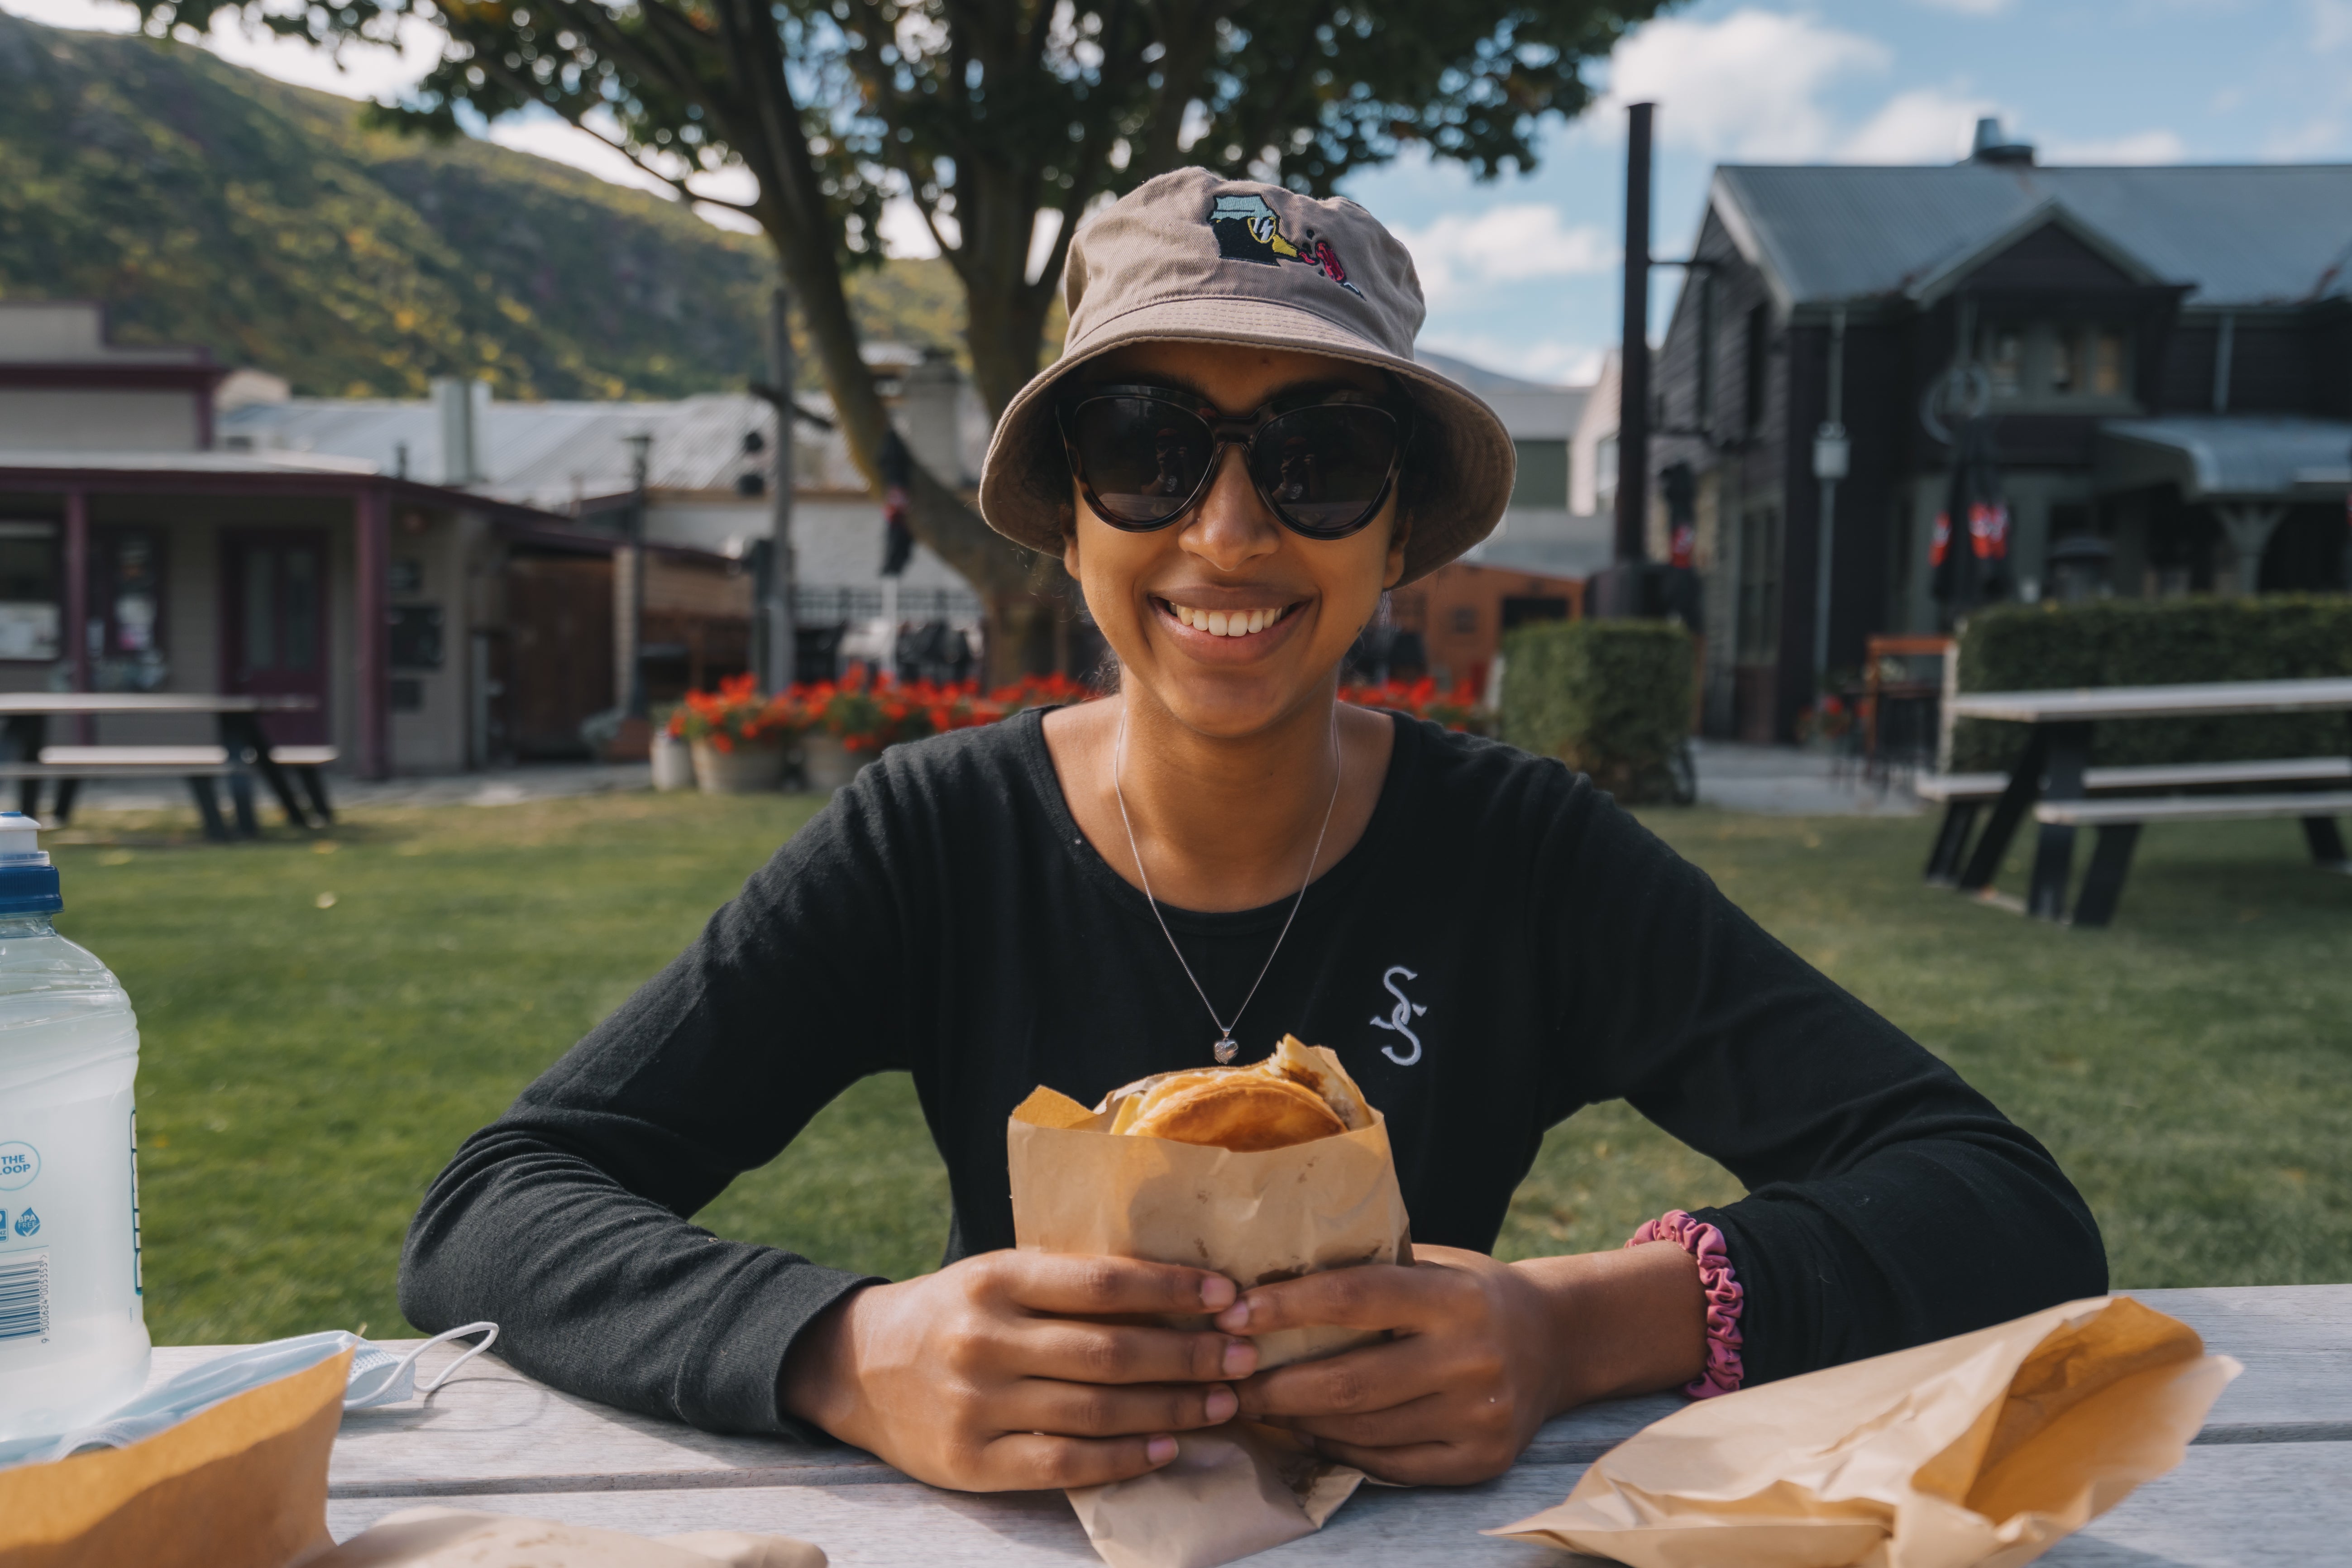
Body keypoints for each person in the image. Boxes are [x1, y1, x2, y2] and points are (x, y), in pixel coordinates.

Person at [401, 169, 2105, 1494]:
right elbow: (500, 1205)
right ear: (1067, 519)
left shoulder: (1524, 858)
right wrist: (845, 1351)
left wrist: (1574, 1327)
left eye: (1320, 455)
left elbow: (2001, 1206)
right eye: (1145, 449)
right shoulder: (931, 842)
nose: (1226, 530)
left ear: (1396, 538)